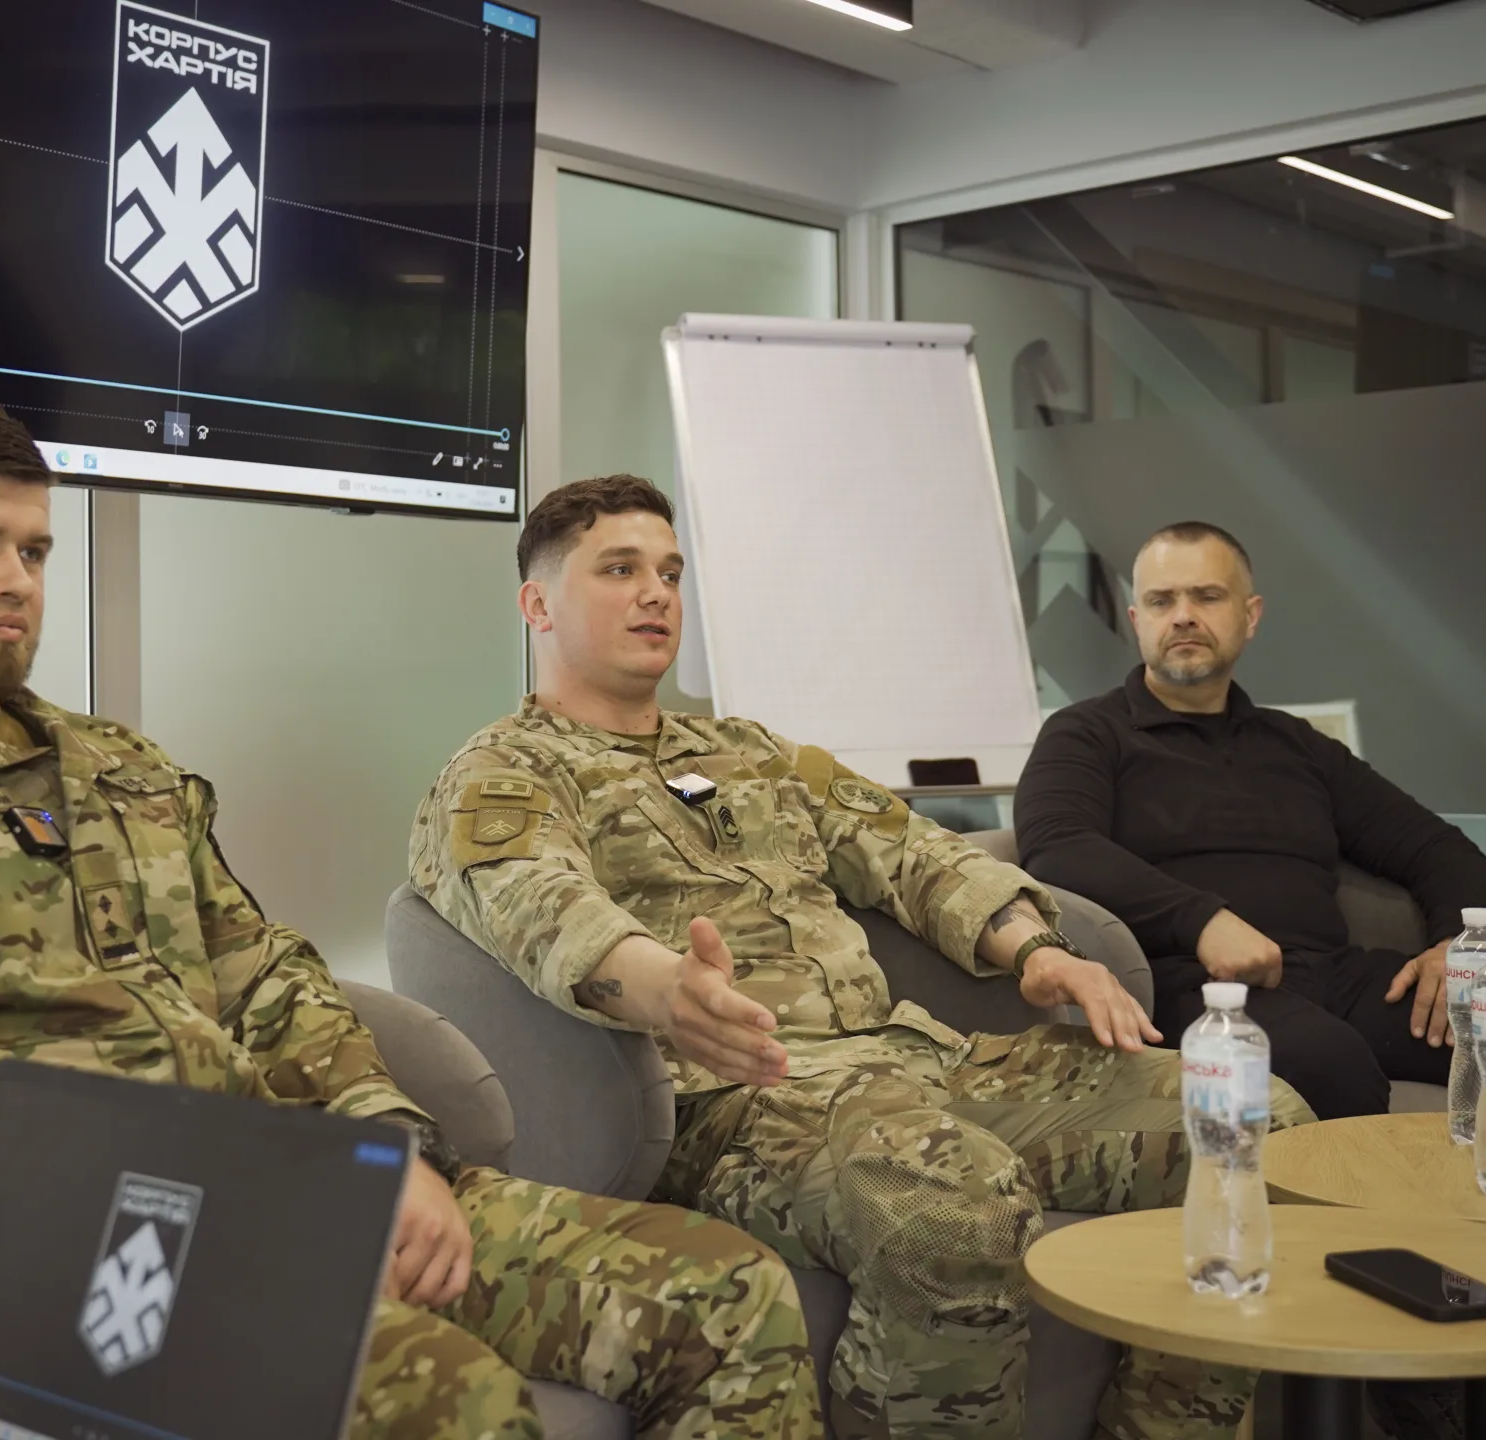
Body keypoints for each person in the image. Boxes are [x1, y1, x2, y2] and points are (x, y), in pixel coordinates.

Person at [0, 389, 822, 1440]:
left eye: (33, 549)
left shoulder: (113, 767)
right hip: (80, 1245)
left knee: (730, 1294)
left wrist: (386, 1152)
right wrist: (278, 1204)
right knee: (449, 1399)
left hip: (289, 1185)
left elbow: (268, 976)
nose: (16, 580)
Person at [409, 474, 1313, 1440]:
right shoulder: (505, 771)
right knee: (952, 1211)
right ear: (538, 604)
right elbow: (540, 904)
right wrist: (668, 988)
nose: (656, 594)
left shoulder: (753, 752)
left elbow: (914, 852)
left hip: (915, 1062)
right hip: (741, 1100)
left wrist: (1035, 951)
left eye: (669, 573)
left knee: (1261, 1124)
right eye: (619, 570)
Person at [1014, 520, 1486, 1440]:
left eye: (1206, 596)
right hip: (1196, 996)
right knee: (1333, 1063)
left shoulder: (1295, 746)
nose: (1183, 616)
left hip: (1339, 977)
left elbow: (1439, 847)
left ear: (1251, 615)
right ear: (1136, 619)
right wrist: (1201, 920)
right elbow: (1057, 849)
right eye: (1162, 600)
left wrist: (1450, 946)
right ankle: (1403, 1374)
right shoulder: (1087, 735)